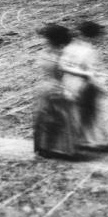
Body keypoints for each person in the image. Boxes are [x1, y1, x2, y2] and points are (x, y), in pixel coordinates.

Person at [60, 20, 108, 151]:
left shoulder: (70, 47)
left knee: (76, 110)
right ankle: (99, 140)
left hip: (68, 82)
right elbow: (93, 72)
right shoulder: (89, 51)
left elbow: (63, 65)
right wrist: (103, 86)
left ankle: (77, 138)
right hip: (85, 84)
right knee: (98, 110)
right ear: (92, 36)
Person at [33, 24, 80, 159]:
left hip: (53, 86)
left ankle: (50, 147)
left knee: (53, 116)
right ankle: (53, 147)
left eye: (46, 38)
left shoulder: (55, 55)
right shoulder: (57, 54)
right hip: (51, 86)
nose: (44, 41)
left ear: (52, 40)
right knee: (52, 116)